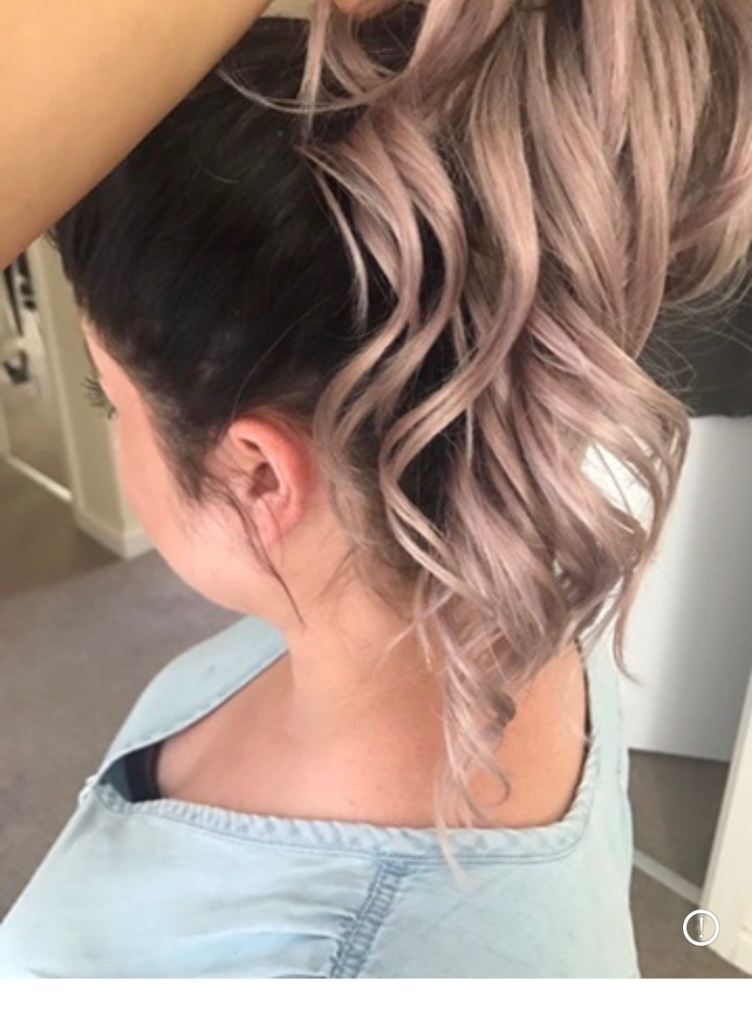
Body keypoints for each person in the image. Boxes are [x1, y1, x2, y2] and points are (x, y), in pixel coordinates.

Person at [1, 0, 751, 979]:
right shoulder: (519, 577)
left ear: (258, 472)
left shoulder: (349, 968)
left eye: (111, 401)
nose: (115, 429)